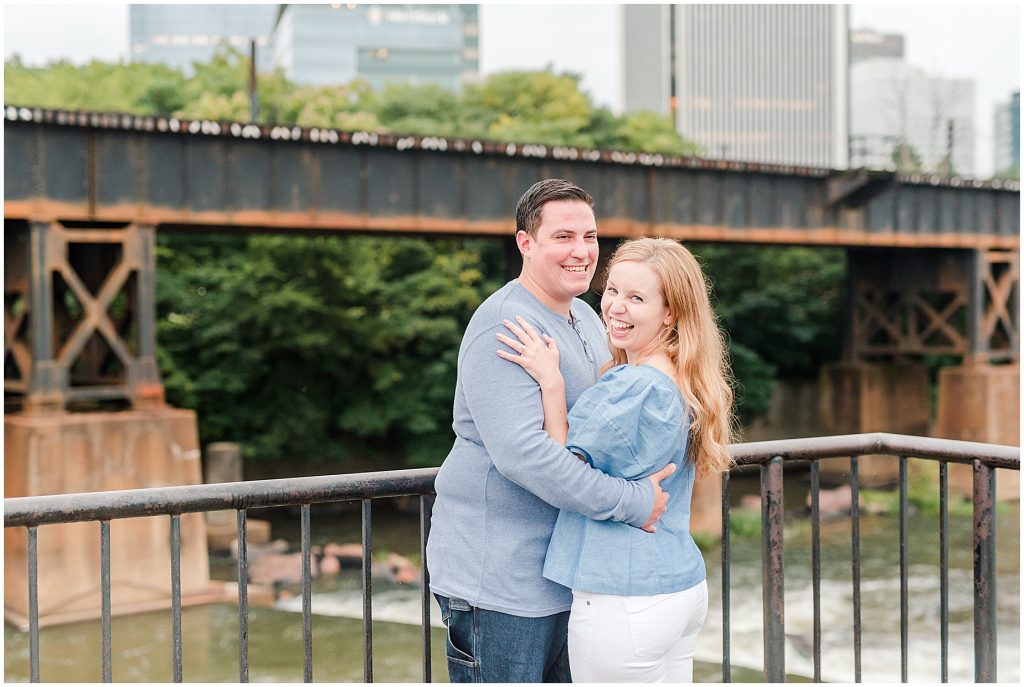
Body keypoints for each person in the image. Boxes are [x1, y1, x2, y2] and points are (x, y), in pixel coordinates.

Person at [426, 180, 677, 683]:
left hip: (565, 576)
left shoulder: (586, 315)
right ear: (526, 243)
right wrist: (632, 502)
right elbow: (526, 457)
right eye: (564, 237)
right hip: (500, 583)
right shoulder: (504, 325)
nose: (582, 252)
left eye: (590, 236)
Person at [496, 237, 734, 682]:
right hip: (679, 588)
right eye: (612, 291)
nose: (615, 307)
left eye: (636, 298)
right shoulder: (684, 379)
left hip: (622, 597)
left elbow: (562, 464)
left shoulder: (633, 385)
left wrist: (551, 381)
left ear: (670, 314)